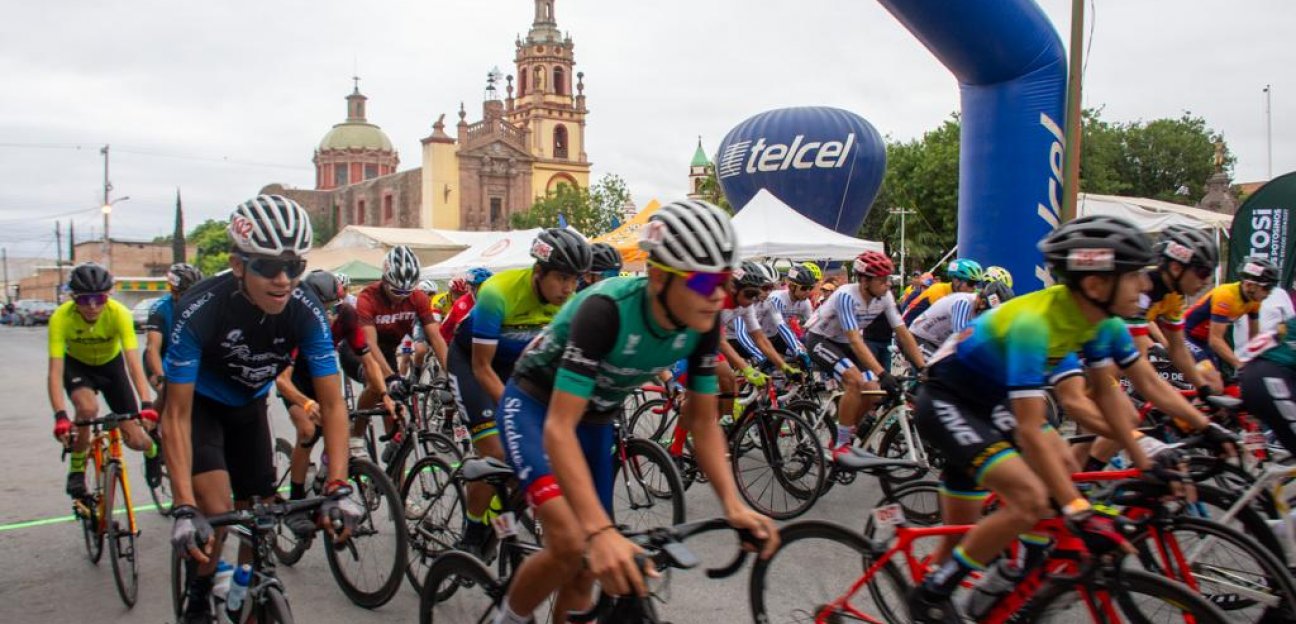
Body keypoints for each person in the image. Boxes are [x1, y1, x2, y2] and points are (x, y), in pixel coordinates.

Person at [907, 215, 1233, 623]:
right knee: (1032, 498)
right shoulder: (1034, 324)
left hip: (993, 400)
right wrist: (1077, 507)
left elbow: (1139, 387)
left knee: (1060, 465)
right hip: (948, 399)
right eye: (1134, 276)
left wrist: (1184, 437)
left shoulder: (1103, 323)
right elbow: (1030, 425)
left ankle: (1015, 572)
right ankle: (933, 591)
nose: (1146, 285)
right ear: (1097, 284)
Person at [490, 199, 779, 624]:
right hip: (535, 407)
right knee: (572, 542)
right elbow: (559, 427)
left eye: (723, 280)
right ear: (660, 276)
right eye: (702, 282)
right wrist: (600, 531)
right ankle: (508, 617)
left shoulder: (704, 322)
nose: (717, 295)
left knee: (594, 565)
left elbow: (701, 421)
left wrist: (733, 504)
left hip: (595, 420)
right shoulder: (604, 310)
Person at [162, 195, 360, 623]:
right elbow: (174, 415)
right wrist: (182, 506)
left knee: (262, 514)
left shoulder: (306, 309)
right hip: (202, 407)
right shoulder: (199, 307)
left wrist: (338, 485)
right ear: (238, 266)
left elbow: (332, 403)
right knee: (214, 512)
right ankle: (198, 594)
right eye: (269, 267)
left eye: (295, 267)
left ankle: (247, 587)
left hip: (249, 406)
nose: (284, 280)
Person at [447, 228, 591, 557]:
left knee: (528, 456)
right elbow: (482, 368)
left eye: (575, 280)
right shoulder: (498, 293)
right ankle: (472, 531)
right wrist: (516, 414)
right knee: (497, 451)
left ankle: (502, 523)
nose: (569, 288)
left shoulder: (568, 303)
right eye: (562, 278)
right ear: (538, 272)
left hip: (516, 365)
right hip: (473, 364)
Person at [274, 270, 394, 535]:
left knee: (337, 426)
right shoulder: (297, 320)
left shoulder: (347, 316)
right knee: (308, 430)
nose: (328, 316)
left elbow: (368, 360)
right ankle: (296, 501)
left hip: (322, 375)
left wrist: (384, 394)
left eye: (333, 308)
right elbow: (282, 380)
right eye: (323, 309)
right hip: (295, 382)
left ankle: (326, 482)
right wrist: (306, 404)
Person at [49, 262, 161, 496]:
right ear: (72, 297)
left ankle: (153, 451)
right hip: (77, 367)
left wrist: (146, 404)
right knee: (87, 410)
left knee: (136, 441)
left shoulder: (119, 313)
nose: (91, 307)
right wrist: (60, 416)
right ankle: (77, 471)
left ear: (108, 296)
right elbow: (55, 371)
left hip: (111, 368)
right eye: (83, 300)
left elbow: (132, 364)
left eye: (99, 299)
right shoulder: (61, 318)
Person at [803, 251, 926, 459]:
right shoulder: (846, 295)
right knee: (854, 381)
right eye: (882, 280)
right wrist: (882, 372)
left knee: (874, 391)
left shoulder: (885, 296)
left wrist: (923, 367)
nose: (888, 284)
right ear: (864, 280)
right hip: (821, 339)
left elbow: (903, 334)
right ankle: (840, 443)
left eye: (888, 279)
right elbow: (855, 339)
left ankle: (849, 430)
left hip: (846, 343)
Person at [355, 245, 449, 457]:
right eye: (397, 291)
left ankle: (392, 482)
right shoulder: (367, 297)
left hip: (387, 350)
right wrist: (390, 377)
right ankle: (356, 437)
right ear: (385, 279)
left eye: (407, 291)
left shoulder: (417, 298)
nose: (402, 296)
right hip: (360, 349)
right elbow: (369, 343)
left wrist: (451, 375)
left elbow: (436, 338)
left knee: (398, 422)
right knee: (376, 382)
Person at [1123, 225, 1222, 393]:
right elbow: (1137, 354)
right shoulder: (1142, 288)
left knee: (1211, 379)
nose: (1206, 282)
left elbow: (1178, 348)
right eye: (1203, 273)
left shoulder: (1174, 296)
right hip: (1085, 347)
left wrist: (1203, 388)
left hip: (1118, 345)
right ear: (1176, 268)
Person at [1182, 256, 1277, 372]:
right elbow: (1215, 340)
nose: (1269, 293)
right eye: (1267, 288)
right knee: (1212, 379)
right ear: (1249, 285)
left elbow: (1254, 336)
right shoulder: (1226, 295)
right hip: (1185, 334)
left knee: (1222, 381)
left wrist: (1258, 360)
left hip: (1203, 340)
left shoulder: (1254, 302)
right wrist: (1239, 364)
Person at [143, 262, 204, 410]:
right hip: (161, 358)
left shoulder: (203, 305)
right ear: (174, 291)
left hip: (187, 358)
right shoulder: (160, 309)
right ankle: (152, 421)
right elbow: (152, 349)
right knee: (170, 395)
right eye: (186, 294)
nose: (192, 298)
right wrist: (161, 377)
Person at [910, 280, 1015, 358]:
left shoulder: (981, 307)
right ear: (982, 302)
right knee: (938, 375)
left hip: (938, 344)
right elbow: (960, 341)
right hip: (918, 338)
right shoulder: (963, 302)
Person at [729, 261, 800, 375]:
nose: (768, 292)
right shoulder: (739, 302)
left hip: (733, 339)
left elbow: (778, 327)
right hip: (731, 339)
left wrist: (797, 351)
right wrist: (761, 357)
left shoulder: (763, 302)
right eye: (765, 288)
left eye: (771, 287)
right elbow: (740, 334)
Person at [902, 259, 983, 325]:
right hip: (908, 329)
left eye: (976, 283)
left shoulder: (966, 294)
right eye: (971, 283)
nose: (974, 288)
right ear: (956, 281)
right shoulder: (938, 291)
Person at [438, 267, 493, 344]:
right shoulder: (462, 303)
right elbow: (449, 330)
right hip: (455, 342)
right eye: (474, 287)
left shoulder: (492, 300)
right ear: (471, 287)